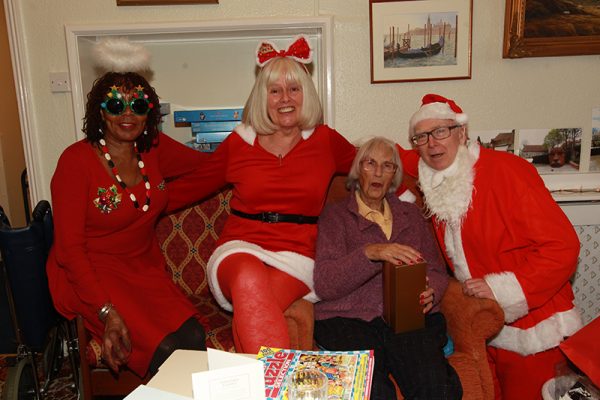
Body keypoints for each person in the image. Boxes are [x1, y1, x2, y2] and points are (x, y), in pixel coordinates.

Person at [168, 35, 357, 354]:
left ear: (305, 94)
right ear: (263, 96)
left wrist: (422, 165)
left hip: (297, 255)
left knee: (255, 308)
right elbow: (192, 184)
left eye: (294, 89)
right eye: (275, 90)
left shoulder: (325, 141)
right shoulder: (239, 143)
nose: (285, 98)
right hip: (240, 247)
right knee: (249, 277)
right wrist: (138, 207)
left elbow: (370, 164)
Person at [46, 38, 208, 377]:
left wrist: (260, 140)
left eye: (138, 104)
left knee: (193, 334)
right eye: (116, 104)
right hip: (88, 274)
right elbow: (70, 251)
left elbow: (210, 166)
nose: (127, 113)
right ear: (100, 111)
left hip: (141, 270)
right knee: (164, 349)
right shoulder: (75, 162)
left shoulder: (153, 150)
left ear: (150, 110)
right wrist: (107, 312)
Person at [409, 93, 583, 399]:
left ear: (461, 132)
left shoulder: (507, 172)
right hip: (485, 329)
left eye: (440, 131)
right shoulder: (433, 177)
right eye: (421, 136)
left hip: (537, 331)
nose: (432, 143)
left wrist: (502, 290)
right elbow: (379, 158)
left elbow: (563, 247)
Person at [313, 137, 462, 400]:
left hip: (406, 319)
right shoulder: (335, 217)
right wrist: (371, 253)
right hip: (350, 319)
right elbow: (325, 283)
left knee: (435, 386)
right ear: (359, 169)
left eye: (387, 166)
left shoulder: (411, 215)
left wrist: (432, 292)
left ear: (394, 174)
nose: (378, 172)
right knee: (373, 392)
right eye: (370, 163)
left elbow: (437, 272)